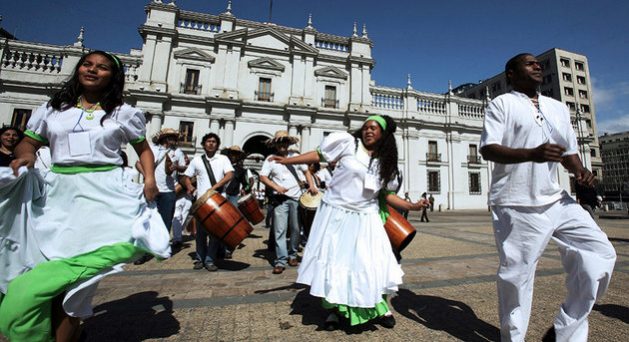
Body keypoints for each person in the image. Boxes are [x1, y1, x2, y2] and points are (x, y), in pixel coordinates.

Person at [0, 50, 169, 341]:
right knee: (50, 273)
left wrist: (150, 179)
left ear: (113, 77)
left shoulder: (123, 113)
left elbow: (143, 150)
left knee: (80, 281)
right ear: (78, 69)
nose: (93, 70)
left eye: (102, 68)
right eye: (87, 65)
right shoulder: (53, 110)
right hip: (58, 198)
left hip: (105, 196)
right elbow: (27, 143)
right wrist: (26, 156)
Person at [479, 53, 616, 342]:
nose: (537, 65)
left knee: (601, 253)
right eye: (528, 63)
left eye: (538, 63)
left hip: (555, 199)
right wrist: (531, 154)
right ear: (511, 74)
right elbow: (488, 149)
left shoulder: (558, 108)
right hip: (516, 203)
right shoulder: (501, 104)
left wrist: (580, 171)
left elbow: (568, 152)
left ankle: (564, 331)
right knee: (517, 278)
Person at [271, 115, 427, 330]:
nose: (368, 131)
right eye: (365, 127)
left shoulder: (385, 162)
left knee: (368, 264)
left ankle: (377, 306)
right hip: (338, 214)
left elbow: (387, 195)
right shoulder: (348, 144)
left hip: (367, 217)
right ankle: (334, 311)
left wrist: (412, 206)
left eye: (373, 128)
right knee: (337, 263)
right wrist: (287, 161)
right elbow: (318, 154)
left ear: (383, 134)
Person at [259, 130, 311, 275]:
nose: (282, 145)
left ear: (288, 143)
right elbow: (263, 177)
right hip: (279, 200)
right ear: (275, 144)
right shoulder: (270, 159)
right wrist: (276, 187)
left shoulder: (296, 156)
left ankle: (292, 255)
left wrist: (311, 185)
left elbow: (307, 172)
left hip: (296, 198)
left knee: (295, 229)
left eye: (285, 142)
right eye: (279, 142)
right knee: (279, 230)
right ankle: (281, 260)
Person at [182, 133, 234, 272]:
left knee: (215, 233)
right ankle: (200, 259)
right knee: (200, 233)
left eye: (214, 142)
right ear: (204, 144)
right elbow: (186, 176)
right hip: (201, 200)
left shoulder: (223, 159)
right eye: (208, 141)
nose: (211, 144)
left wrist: (215, 187)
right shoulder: (197, 160)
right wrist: (189, 186)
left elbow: (230, 175)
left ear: (217, 145)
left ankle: (210, 259)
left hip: (218, 199)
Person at [135, 128, 186, 263]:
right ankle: (145, 252)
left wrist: (176, 168)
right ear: (164, 138)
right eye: (171, 137)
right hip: (151, 189)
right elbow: (138, 164)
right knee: (148, 221)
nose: (174, 140)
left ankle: (161, 249)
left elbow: (183, 167)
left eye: (175, 137)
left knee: (165, 222)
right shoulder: (151, 149)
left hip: (168, 191)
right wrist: (148, 178)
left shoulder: (178, 152)